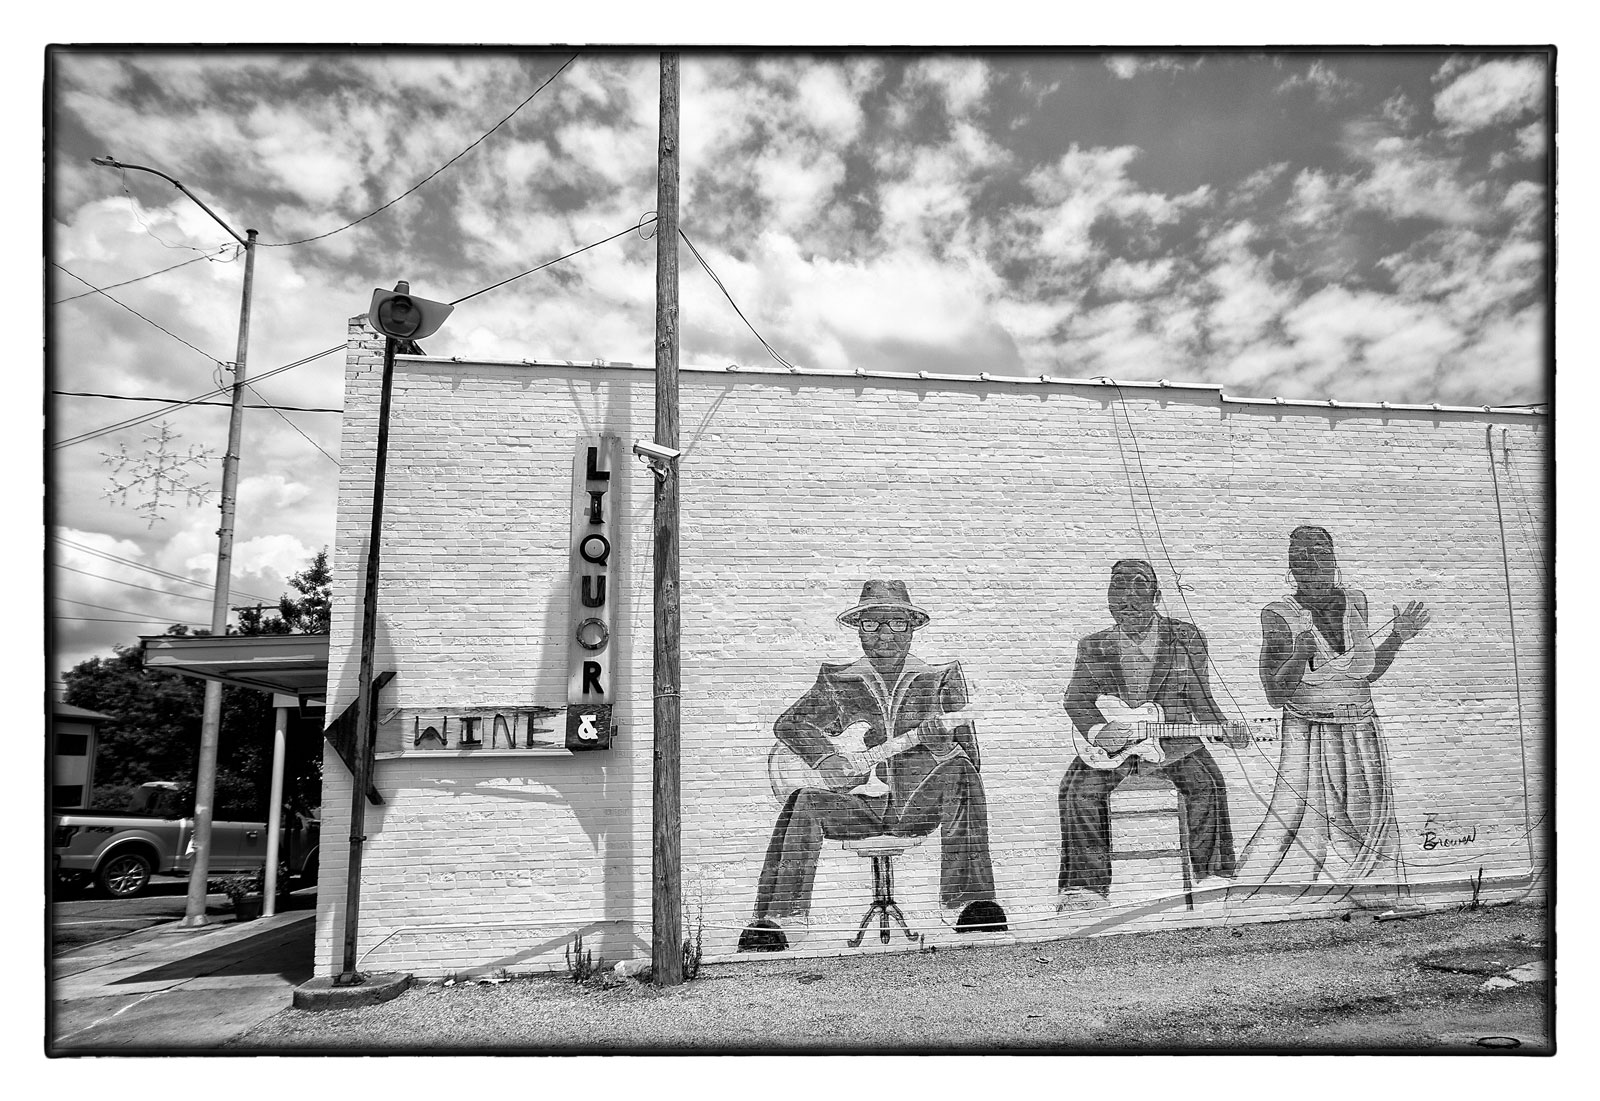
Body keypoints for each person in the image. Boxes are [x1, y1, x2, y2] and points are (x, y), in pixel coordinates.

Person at [738, 580, 1007, 952]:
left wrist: (941, 746)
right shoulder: (838, 680)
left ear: (912, 628)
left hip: (917, 806)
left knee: (961, 774)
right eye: (872, 624)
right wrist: (827, 757)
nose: (884, 635)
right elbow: (789, 724)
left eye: (897, 623)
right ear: (858, 628)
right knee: (803, 801)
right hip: (857, 807)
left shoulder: (938, 678)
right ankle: (781, 919)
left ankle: (969, 902)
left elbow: (970, 757)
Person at [1236, 526, 1429, 899]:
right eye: (1304, 554)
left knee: (1368, 817)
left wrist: (1397, 637)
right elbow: (1276, 694)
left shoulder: (1356, 600)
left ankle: (1374, 894)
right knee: (1306, 822)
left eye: (1322, 553)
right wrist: (1298, 653)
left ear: (1334, 559)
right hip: (1311, 735)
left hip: (1361, 730)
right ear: (1292, 564)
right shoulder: (1279, 614)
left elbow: (1366, 672)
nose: (1314, 562)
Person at [1057, 559, 1237, 909]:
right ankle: (1086, 890)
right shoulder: (1094, 646)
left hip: (1175, 745)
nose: (1130, 607)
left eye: (1139, 598)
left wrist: (1225, 729)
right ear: (1111, 605)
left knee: (1210, 784)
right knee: (1075, 791)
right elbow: (1075, 698)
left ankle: (1212, 879)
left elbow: (1201, 696)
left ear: (1156, 596)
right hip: (1116, 749)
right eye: (1121, 603)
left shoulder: (1186, 637)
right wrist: (1099, 730)